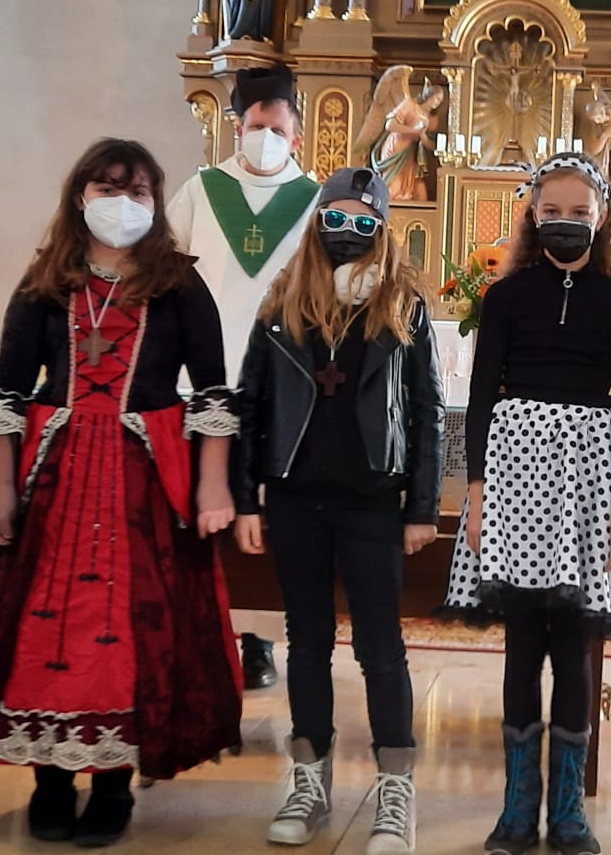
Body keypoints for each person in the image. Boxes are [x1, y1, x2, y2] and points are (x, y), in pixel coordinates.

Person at [0, 139, 242, 847]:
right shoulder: (47, 281)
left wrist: (214, 483)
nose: (123, 202)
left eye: (138, 190)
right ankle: (50, 780)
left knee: (128, 624)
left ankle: (113, 784)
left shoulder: (179, 284)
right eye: (108, 187)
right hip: (56, 477)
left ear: (155, 202)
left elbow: (214, 393)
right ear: (80, 196)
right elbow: (7, 393)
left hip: (145, 478)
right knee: (44, 624)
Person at [233, 166, 444, 850]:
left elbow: (426, 411)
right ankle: (309, 780)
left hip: (373, 501)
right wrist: (245, 497)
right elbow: (251, 404)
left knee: (381, 647)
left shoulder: (403, 308)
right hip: (295, 497)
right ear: (317, 223)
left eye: (362, 222)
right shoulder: (281, 304)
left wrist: (421, 507)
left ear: (381, 231)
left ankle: (395, 789)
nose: (347, 232)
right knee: (307, 641)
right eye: (335, 219)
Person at [443, 153, 611, 855]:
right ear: (532, 213)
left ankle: (568, 811)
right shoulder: (505, 297)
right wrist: (476, 494)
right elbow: (481, 398)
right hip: (515, 474)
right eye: (552, 211)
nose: (565, 222)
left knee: (576, 644)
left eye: (579, 212)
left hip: (589, 477)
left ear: (602, 217)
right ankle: (517, 807)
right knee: (524, 641)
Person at [168, 62, 319, 689]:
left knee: (260, 521)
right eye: (255, 126)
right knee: (196, 513)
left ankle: (256, 640)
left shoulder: (314, 201)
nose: (265, 138)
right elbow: (164, 272)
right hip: (199, 380)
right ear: (236, 128)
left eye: (276, 129)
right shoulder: (201, 191)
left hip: (275, 388)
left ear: (297, 135)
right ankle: (193, 632)